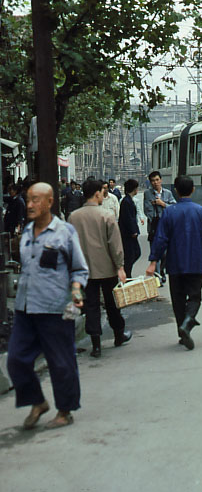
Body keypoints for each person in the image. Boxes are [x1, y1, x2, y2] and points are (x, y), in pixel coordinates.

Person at [6, 182, 89, 430]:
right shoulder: (27, 233)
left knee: (61, 362)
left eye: (36, 200)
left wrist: (76, 289)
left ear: (50, 202)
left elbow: (79, 268)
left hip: (54, 309)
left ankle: (65, 410)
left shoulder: (65, 232)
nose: (30, 205)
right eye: (28, 199)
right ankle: (37, 401)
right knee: (16, 360)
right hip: (25, 307)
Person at [146, 176, 202, 350]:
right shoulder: (201, 212)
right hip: (195, 262)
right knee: (195, 297)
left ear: (176, 191)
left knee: (178, 300)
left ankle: (182, 331)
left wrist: (153, 262)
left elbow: (161, 239)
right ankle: (187, 325)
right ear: (193, 190)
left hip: (175, 263)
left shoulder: (169, 212)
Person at [69, 179, 131, 358]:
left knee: (91, 306)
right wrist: (120, 266)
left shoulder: (74, 217)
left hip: (84, 270)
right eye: (102, 192)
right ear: (97, 193)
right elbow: (115, 245)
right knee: (112, 304)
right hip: (107, 268)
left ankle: (96, 344)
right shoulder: (106, 216)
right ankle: (119, 334)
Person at [143, 171, 177, 282]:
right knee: (155, 251)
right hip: (154, 227)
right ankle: (157, 276)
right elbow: (147, 210)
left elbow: (174, 208)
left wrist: (163, 204)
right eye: (153, 181)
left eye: (157, 180)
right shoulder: (147, 194)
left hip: (167, 227)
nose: (155, 183)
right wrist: (155, 217)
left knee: (166, 253)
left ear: (161, 180)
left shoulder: (168, 193)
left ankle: (162, 270)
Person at [119, 179, 142, 278]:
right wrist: (133, 231)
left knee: (135, 253)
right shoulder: (126, 201)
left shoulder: (129, 200)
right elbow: (128, 218)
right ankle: (127, 274)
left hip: (130, 233)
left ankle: (127, 272)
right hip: (128, 234)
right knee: (131, 254)